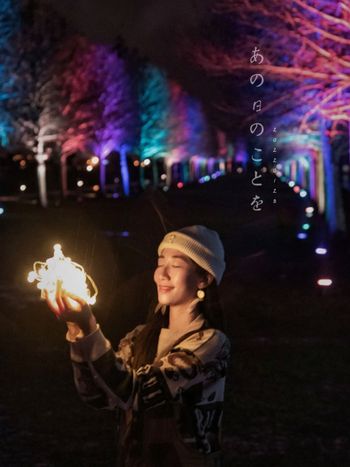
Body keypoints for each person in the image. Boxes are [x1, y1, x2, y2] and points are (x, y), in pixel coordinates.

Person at [45, 225, 231, 467]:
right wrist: (76, 330)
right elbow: (97, 395)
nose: (162, 274)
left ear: (204, 278)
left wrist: (90, 326)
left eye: (175, 265)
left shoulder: (211, 343)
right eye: (160, 261)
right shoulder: (139, 337)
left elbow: (137, 393)